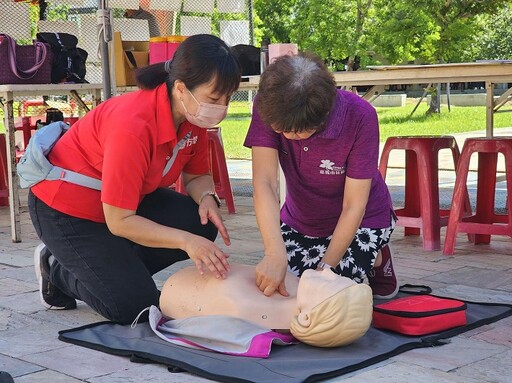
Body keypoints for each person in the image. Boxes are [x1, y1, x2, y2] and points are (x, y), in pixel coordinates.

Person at [28, 34, 242, 324]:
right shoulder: (133, 125)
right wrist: (185, 242)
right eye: (214, 99)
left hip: (125, 201)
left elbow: (197, 174)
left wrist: (206, 198)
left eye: (228, 99)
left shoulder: (193, 117)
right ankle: (57, 269)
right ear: (181, 88)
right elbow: (120, 220)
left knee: (200, 223)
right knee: (136, 308)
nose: (222, 108)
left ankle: (114, 270)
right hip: (68, 210)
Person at [243, 53, 398, 300]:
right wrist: (274, 253)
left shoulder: (360, 116)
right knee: (284, 288)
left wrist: (325, 271)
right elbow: (265, 183)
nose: (286, 136)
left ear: (323, 117)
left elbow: (353, 205)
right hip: (302, 219)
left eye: (296, 132)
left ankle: (378, 256)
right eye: (280, 130)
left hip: (362, 218)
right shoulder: (270, 104)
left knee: (328, 295)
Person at [160, 263, 373, 347]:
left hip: (176, 287)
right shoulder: (293, 284)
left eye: (329, 282)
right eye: (335, 275)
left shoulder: (241, 306)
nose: (327, 270)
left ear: (306, 317)